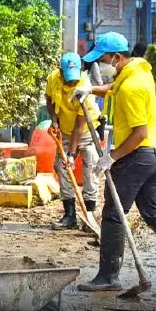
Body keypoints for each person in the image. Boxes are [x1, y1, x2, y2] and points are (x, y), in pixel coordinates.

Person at [71, 32, 156, 293]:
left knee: (113, 214)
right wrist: (90, 89)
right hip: (155, 157)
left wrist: (112, 156)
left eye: (105, 59)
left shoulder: (131, 87)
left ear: (117, 57)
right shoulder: (138, 73)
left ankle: (108, 276)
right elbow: (114, 88)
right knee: (153, 213)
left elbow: (139, 132)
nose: (103, 65)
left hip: (135, 157)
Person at [45, 52, 101, 230]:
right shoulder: (53, 79)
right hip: (65, 130)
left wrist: (71, 154)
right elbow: (49, 99)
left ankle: (89, 215)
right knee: (61, 168)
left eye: (74, 79)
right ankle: (70, 215)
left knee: (90, 167)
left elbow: (79, 127)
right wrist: (54, 119)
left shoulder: (84, 88)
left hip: (85, 131)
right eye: (68, 79)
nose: (71, 83)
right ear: (60, 72)